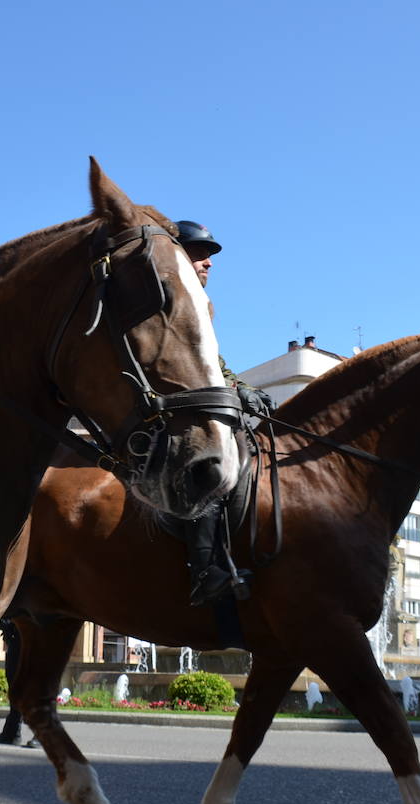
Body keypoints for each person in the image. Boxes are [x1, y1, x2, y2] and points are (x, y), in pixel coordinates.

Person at [174, 220, 270, 609]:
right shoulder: (167, 297)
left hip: (200, 402)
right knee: (210, 465)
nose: (209, 263)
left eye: (210, 256)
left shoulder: (201, 305)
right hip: (168, 408)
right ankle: (203, 572)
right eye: (200, 254)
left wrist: (240, 387)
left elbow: (214, 362)